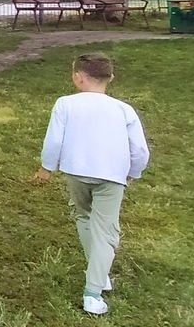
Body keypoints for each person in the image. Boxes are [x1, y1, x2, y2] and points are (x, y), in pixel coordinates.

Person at [35, 52, 150, 316]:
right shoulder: (124, 110)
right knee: (107, 231)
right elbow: (140, 150)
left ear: (77, 77)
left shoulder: (65, 104)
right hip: (112, 176)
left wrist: (46, 168)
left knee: (83, 217)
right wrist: (134, 172)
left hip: (76, 172)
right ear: (110, 78)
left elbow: (54, 141)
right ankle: (95, 285)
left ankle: (95, 282)